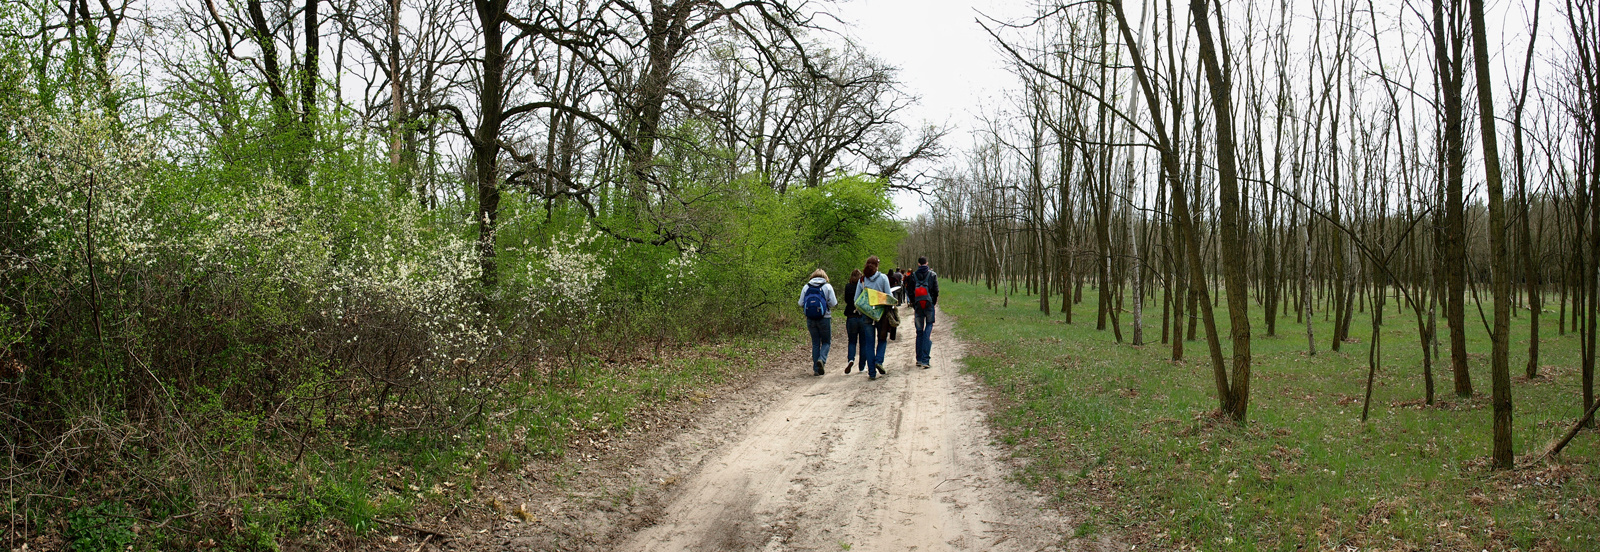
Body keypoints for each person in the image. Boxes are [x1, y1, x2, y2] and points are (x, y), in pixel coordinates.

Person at [857, 256, 893, 380]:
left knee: (869, 343)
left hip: (866, 315)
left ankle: (871, 372)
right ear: (877, 266)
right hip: (881, 315)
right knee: (882, 339)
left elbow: (856, 299)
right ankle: (879, 361)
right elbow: (889, 296)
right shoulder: (883, 278)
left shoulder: (862, 280)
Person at [799, 269, 838, 376]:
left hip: (810, 319)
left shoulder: (806, 287)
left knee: (815, 343)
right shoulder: (827, 286)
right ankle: (822, 359)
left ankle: (816, 369)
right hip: (824, 318)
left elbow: (801, 303)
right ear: (825, 276)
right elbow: (834, 303)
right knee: (826, 342)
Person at [910, 257, 940, 369]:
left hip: (918, 305)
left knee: (919, 331)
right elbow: (936, 290)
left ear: (918, 263)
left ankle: (918, 359)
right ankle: (925, 359)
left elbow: (910, 291)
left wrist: (913, 303)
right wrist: (933, 302)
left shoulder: (913, 275)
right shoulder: (932, 275)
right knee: (929, 326)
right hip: (928, 304)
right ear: (927, 263)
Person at [843, 269, 867, 374]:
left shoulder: (848, 287)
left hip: (851, 316)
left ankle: (851, 359)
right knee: (864, 343)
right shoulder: (863, 287)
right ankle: (862, 367)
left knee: (852, 341)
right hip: (862, 316)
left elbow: (846, 300)